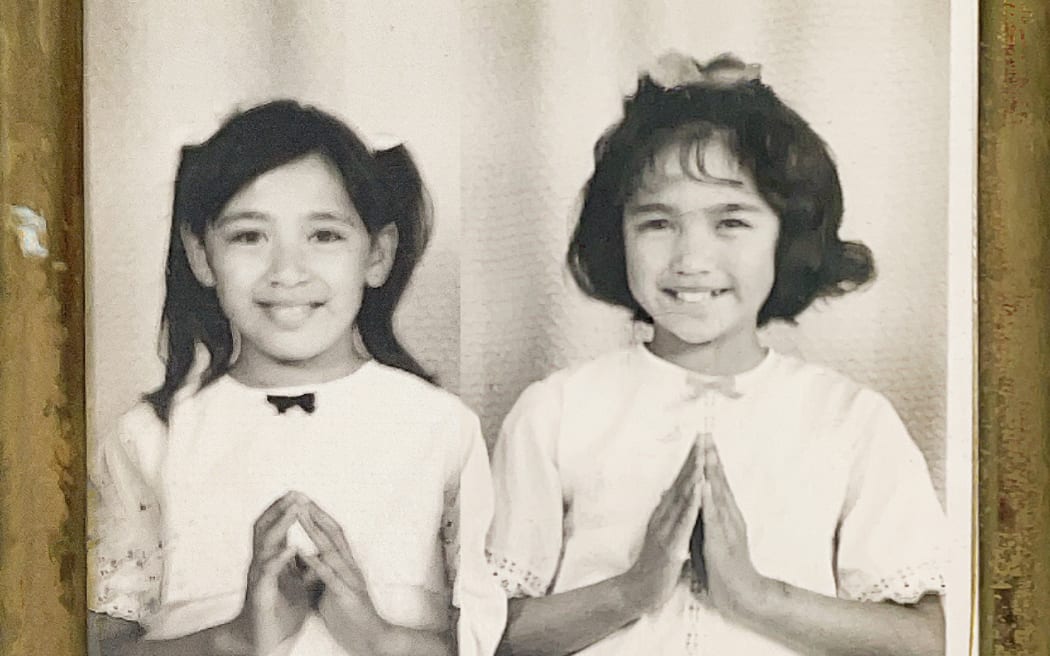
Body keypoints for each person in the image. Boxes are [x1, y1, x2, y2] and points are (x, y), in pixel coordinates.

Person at [486, 52, 947, 655]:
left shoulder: (851, 421)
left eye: (730, 222)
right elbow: (490, 635)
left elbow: (924, 640)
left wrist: (756, 596)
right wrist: (631, 590)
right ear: (615, 235)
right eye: (657, 223)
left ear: (789, 238)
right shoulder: (556, 412)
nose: (690, 259)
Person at [88, 100, 505, 656]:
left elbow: (487, 639)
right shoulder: (149, 436)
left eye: (324, 236)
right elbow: (100, 643)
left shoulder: (441, 426)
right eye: (249, 237)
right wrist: (231, 639)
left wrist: (379, 638)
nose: (287, 272)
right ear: (200, 255)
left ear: (377, 254)